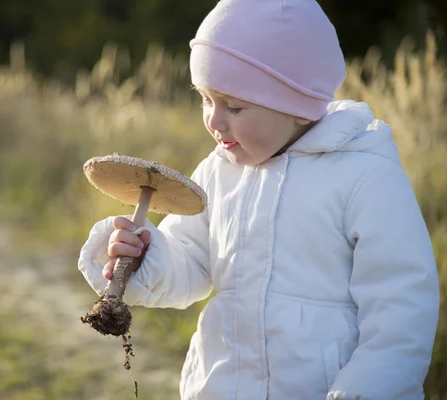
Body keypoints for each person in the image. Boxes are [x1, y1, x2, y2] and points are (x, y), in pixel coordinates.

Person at [78, 0, 440, 398]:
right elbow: (191, 262)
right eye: (205, 99)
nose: (214, 121)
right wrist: (147, 258)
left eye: (234, 106)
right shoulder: (218, 173)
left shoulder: (365, 179)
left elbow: (401, 311)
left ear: (299, 108)